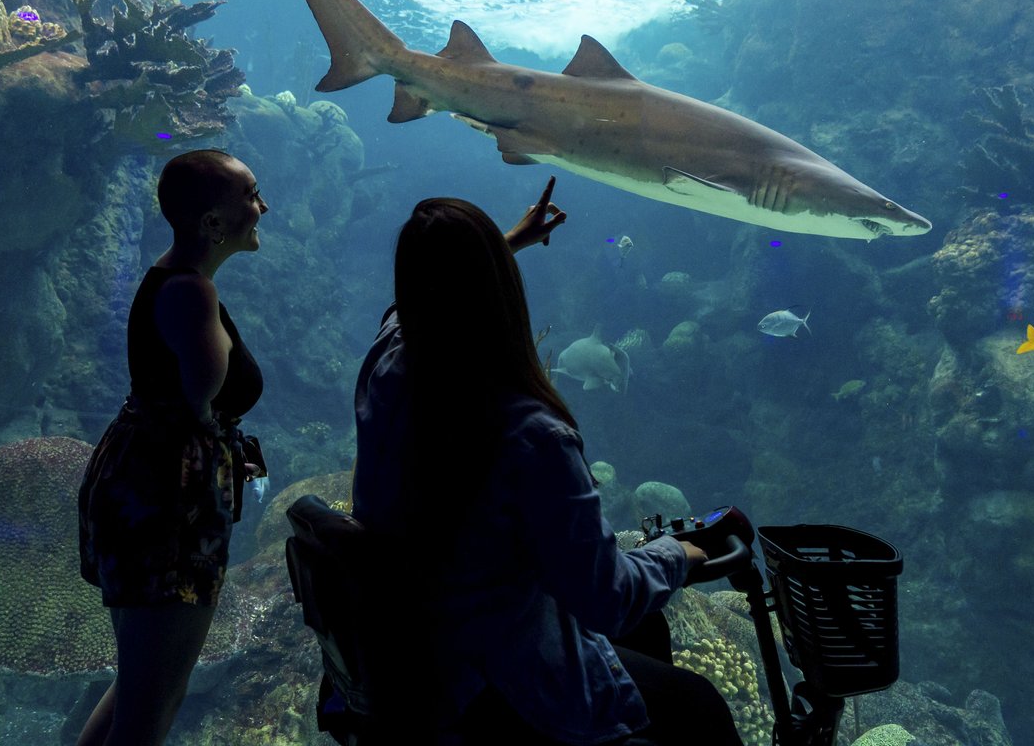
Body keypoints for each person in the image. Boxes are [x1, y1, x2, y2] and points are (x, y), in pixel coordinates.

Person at [352, 176, 743, 746]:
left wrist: (506, 241)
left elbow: (405, 311)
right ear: (503, 291)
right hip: (496, 679)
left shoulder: (387, 361)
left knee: (647, 638)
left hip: (407, 651)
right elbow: (604, 598)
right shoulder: (529, 433)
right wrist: (676, 554)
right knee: (700, 707)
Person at [76, 148, 269, 746]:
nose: (262, 208)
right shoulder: (191, 293)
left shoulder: (179, 280)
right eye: (250, 195)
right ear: (212, 223)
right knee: (151, 701)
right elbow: (200, 396)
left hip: (147, 488)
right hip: (167, 504)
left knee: (142, 686)